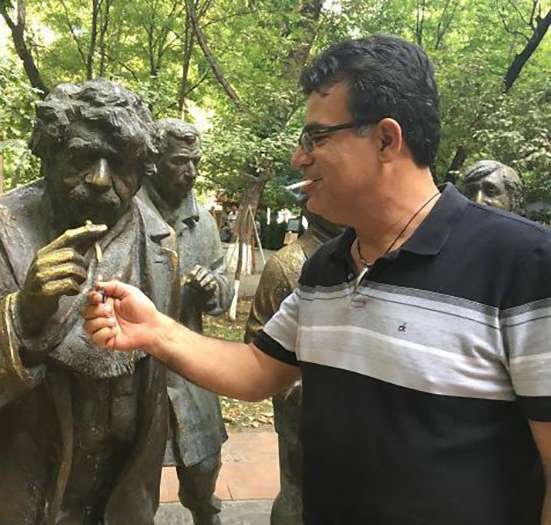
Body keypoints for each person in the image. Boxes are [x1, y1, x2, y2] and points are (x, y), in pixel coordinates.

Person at [83, 35, 551, 524]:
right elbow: (257, 370)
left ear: (386, 140)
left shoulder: (524, 264)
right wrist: (154, 329)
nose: (298, 158)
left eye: (315, 139)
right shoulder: (326, 267)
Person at [0, 79, 178, 524]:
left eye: (120, 163)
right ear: (49, 155)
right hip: (11, 500)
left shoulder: (161, 247)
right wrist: (20, 316)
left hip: (120, 502)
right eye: (81, 158)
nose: (101, 179)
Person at [137, 118, 231, 525]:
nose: (191, 171)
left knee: (204, 464)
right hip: (138, 369)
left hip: (191, 364)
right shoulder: (128, 214)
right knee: (135, 477)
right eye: (180, 161)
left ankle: (205, 511)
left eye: (196, 161)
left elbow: (224, 288)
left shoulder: (203, 222)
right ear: (153, 162)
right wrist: (177, 296)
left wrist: (212, 288)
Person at [244, 204, 342, 525]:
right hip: (299, 411)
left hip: (353, 413)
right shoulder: (287, 264)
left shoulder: (363, 253)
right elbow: (257, 340)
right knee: (297, 493)